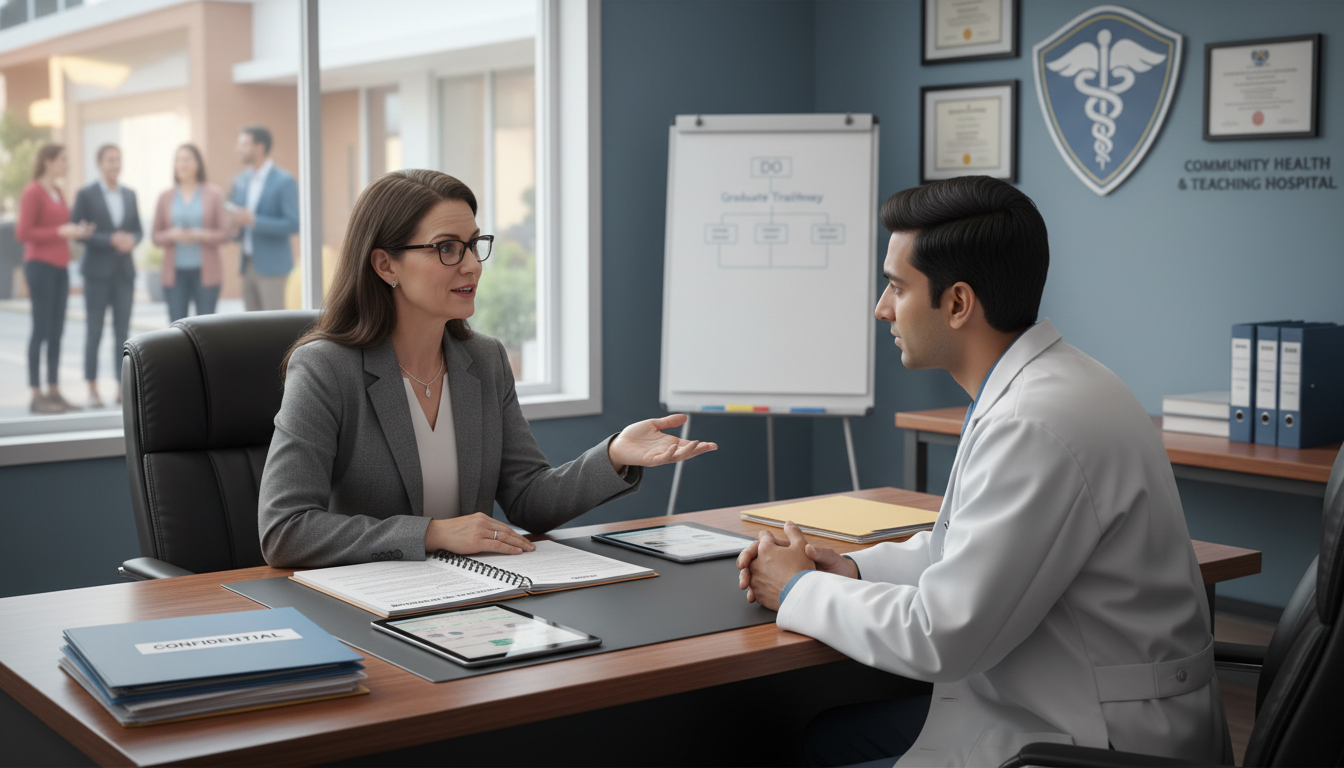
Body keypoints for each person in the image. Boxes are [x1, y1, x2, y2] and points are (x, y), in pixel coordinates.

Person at [737, 177, 1230, 767]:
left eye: (897, 286)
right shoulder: (1054, 382)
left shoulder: (1034, 422)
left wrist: (797, 588)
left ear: (958, 303)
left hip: (1097, 737)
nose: (881, 308)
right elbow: (968, 551)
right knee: (824, 738)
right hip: (1059, 700)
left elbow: (942, 635)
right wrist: (851, 567)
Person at [258, 169, 716, 567]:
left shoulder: (484, 360)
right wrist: (433, 533)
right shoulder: (325, 368)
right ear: (384, 264)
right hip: (366, 606)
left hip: (473, 593)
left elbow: (528, 500)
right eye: (447, 248)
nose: (472, 265)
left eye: (474, 245)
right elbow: (286, 529)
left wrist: (614, 453)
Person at [15, 144, 93, 414]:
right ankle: (36, 394)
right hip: (40, 266)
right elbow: (23, 232)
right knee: (41, 329)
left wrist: (75, 231)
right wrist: (59, 231)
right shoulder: (33, 192)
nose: (67, 164)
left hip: (61, 267)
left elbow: (59, 227)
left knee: (58, 331)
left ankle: (54, 390)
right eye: (63, 160)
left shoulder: (58, 192)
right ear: (48, 162)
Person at [70, 144, 141, 407]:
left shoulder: (130, 194)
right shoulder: (86, 194)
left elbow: (138, 230)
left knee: (123, 332)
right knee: (94, 331)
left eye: (118, 160)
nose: (115, 164)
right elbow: (78, 231)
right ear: (99, 164)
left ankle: (122, 388)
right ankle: (92, 388)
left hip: (124, 273)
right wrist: (109, 239)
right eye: (110, 160)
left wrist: (131, 240)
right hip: (96, 273)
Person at [153, 144, 229, 322]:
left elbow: (225, 234)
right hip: (175, 274)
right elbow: (155, 236)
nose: (182, 164)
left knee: (206, 327)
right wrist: (171, 235)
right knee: (176, 328)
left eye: (187, 159)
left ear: (198, 164)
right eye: (179, 160)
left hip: (206, 273)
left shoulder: (213, 194)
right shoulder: (165, 196)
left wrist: (202, 235)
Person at [228, 125, 299, 311]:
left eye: (244, 144)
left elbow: (294, 223)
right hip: (247, 264)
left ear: (259, 147)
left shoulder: (284, 181)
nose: (238, 149)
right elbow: (239, 224)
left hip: (273, 267)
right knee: (250, 328)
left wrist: (255, 221)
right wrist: (235, 227)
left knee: (275, 327)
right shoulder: (241, 180)